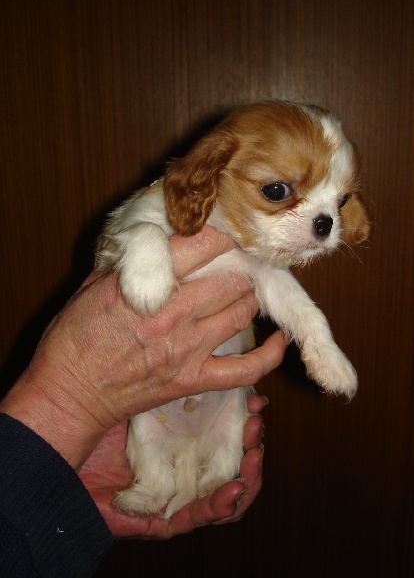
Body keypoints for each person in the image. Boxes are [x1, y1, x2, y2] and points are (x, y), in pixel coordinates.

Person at [0, 226, 286, 576]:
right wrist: (69, 403)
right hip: (150, 413)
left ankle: (216, 474)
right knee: (148, 422)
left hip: (217, 399)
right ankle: (154, 483)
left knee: (235, 412)